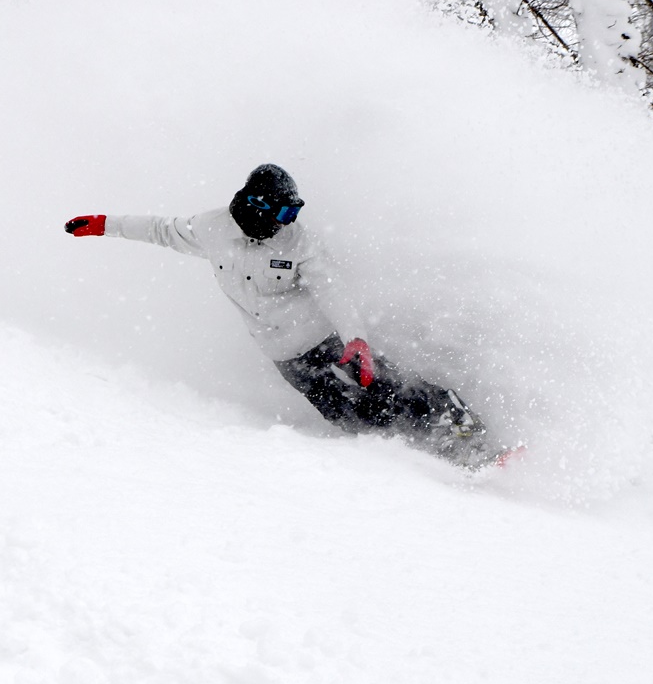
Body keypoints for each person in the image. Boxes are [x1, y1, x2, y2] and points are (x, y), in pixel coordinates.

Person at [66, 164, 494, 464]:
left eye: (295, 213)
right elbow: (160, 229)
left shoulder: (298, 242)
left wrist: (356, 339)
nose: (289, 221)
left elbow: (331, 287)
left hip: (327, 340)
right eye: (285, 212)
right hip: (285, 357)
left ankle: (465, 430)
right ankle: (420, 454)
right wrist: (105, 224)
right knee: (349, 417)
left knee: (388, 388)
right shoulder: (212, 228)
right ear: (257, 206)